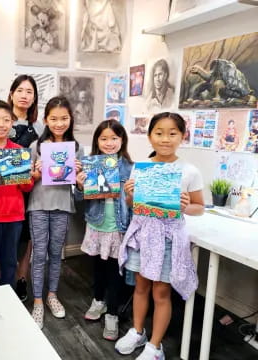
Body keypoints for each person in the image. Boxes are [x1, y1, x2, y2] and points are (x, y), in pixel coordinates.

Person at [115, 112, 204, 360]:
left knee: (161, 292)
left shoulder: (188, 170)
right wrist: (129, 193)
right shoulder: (141, 169)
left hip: (167, 240)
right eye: (159, 133)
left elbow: (200, 207)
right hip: (142, 235)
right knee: (140, 286)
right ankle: (138, 331)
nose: (165, 139)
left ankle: (155, 346)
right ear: (150, 136)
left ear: (182, 137)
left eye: (173, 133)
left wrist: (186, 206)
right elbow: (134, 205)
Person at [0, 75, 44, 301]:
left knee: (10, 261)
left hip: (14, 216)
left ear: (12, 123)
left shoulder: (19, 152)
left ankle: (8, 302)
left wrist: (26, 175)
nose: (1, 124)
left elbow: (27, 186)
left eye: (6, 120)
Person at [28, 96, 83, 329]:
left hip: (62, 205)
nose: (59, 123)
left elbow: (81, 186)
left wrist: (80, 177)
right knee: (39, 254)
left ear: (70, 120)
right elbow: (25, 181)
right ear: (45, 120)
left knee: (55, 253)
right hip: (39, 205)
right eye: (54, 118)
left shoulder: (76, 148)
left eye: (64, 118)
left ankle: (52, 295)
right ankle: (38, 302)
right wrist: (36, 173)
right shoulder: (36, 147)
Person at [75, 119, 133, 340]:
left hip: (118, 228)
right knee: (98, 267)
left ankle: (112, 314)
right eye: (104, 138)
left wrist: (129, 192)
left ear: (122, 140)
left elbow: (134, 202)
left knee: (115, 272)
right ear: (97, 141)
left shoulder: (130, 167)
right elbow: (80, 198)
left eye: (114, 138)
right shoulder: (90, 164)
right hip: (96, 224)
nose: (109, 143)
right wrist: (80, 185)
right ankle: (98, 301)